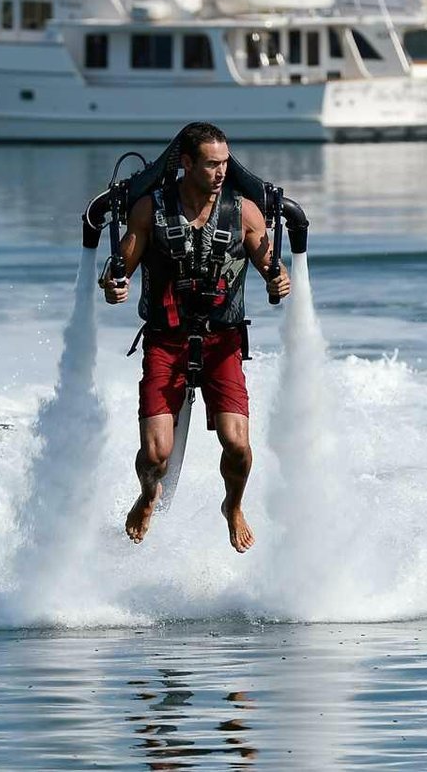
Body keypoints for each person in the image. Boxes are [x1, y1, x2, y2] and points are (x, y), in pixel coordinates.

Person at [99, 122, 291, 553]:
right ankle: (149, 496)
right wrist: (112, 286)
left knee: (238, 444)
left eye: (225, 163)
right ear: (186, 164)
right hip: (166, 344)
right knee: (155, 455)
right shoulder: (150, 210)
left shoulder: (244, 213)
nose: (221, 172)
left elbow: (270, 265)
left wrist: (279, 280)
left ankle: (233, 507)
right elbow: (117, 273)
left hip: (222, 343)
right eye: (211, 164)